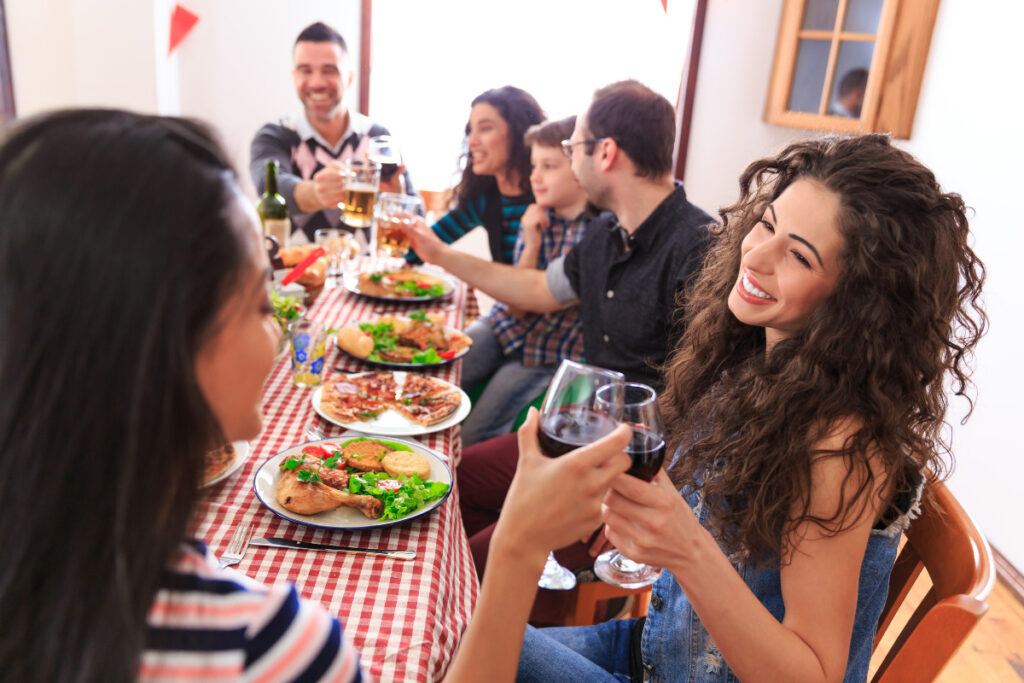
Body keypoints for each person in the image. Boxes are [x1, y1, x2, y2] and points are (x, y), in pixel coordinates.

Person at [0, 109, 633, 682]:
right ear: (172, 345)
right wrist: (520, 546)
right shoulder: (263, 644)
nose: (280, 327)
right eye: (258, 302)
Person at [516, 134, 987, 682]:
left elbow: (814, 675)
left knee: (465, 642)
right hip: (656, 652)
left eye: (799, 255)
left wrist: (686, 547)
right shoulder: (756, 363)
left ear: (859, 301)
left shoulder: (841, 443)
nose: (756, 255)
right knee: (466, 629)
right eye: (766, 225)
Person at [402, 80, 713, 624]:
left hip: (631, 472)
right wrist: (440, 254)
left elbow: (709, 399)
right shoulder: (604, 236)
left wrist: (634, 495)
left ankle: (515, 638)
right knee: (452, 482)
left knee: (473, 566)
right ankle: (515, 619)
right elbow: (535, 292)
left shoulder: (700, 249)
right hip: (581, 436)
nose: (568, 158)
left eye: (573, 148)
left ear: (606, 153)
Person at [460, 116, 594, 446]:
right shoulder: (535, 215)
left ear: (580, 170)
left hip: (545, 354)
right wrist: (531, 241)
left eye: (548, 166)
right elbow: (515, 307)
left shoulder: (597, 234)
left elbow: (527, 300)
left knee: (475, 431)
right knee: (445, 365)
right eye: (534, 165)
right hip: (505, 328)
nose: (535, 176)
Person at [249, 22, 415, 243]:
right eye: (305, 70)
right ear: (294, 76)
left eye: (329, 71)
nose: (317, 83)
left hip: (364, 272)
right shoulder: (275, 135)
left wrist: (396, 199)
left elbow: (417, 214)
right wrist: (316, 193)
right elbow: (269, 186)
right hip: (295, 273)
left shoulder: (376, 137)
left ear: (349, 77)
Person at [407, 85, 544, 265]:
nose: (471, 141)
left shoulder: (547, 196)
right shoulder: (483, 199)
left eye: (485, 128)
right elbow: (417, 251)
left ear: (520, 133)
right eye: (470, 131)